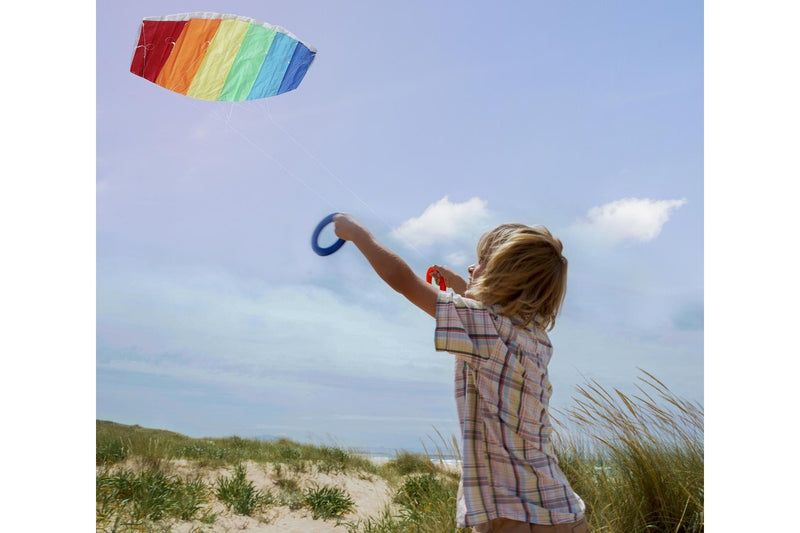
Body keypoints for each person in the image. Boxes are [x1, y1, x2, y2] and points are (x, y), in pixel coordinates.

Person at [332, 214, 589, 533]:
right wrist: (460, 285)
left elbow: (404, 280)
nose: (471, 267)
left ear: (504, 276)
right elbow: (496, 318)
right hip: (562, 509)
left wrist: (358, 234)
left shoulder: (483, 328)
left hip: (516, 515)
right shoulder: (535, 336)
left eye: (481, 261)